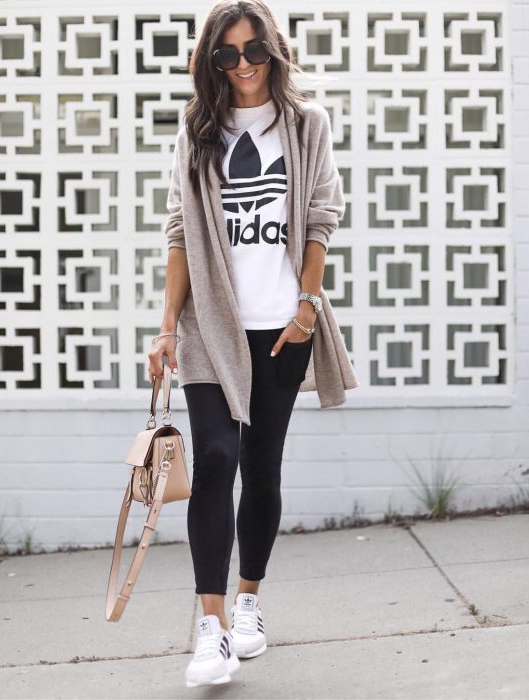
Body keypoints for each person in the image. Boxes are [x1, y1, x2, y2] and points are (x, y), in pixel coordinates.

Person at [147, 0, 359, 689]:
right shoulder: (197, 131)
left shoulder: (305, 125)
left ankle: (247, 605)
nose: (243, 66)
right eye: (226, 55)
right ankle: (209, 630)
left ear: (274, 50)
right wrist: (163, 327)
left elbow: (322, 213)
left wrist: (306, 305)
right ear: (210, 63)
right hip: (210, 324)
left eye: (253, 51)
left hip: (281, 328)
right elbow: (179, 233)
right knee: (213, 459)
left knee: (261, 465)